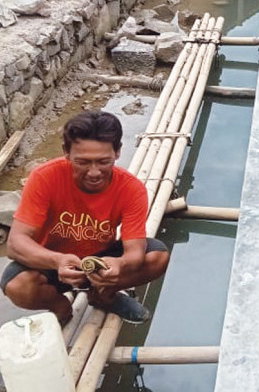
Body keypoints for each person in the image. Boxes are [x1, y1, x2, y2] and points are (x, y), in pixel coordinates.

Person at [1, 111, 170, 325]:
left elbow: (135, 252)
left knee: (158, 256)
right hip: (53, 260)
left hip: (100, 259)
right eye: (82, 162)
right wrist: (58, 261)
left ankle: (104, 296)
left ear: (118, 152)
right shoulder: (44, 177)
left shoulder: (131, 189)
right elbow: (16, 245)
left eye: (103, 162)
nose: (94, 172)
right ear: (66, 152)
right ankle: (59, 306)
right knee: (17, 285)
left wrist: (120, 265)